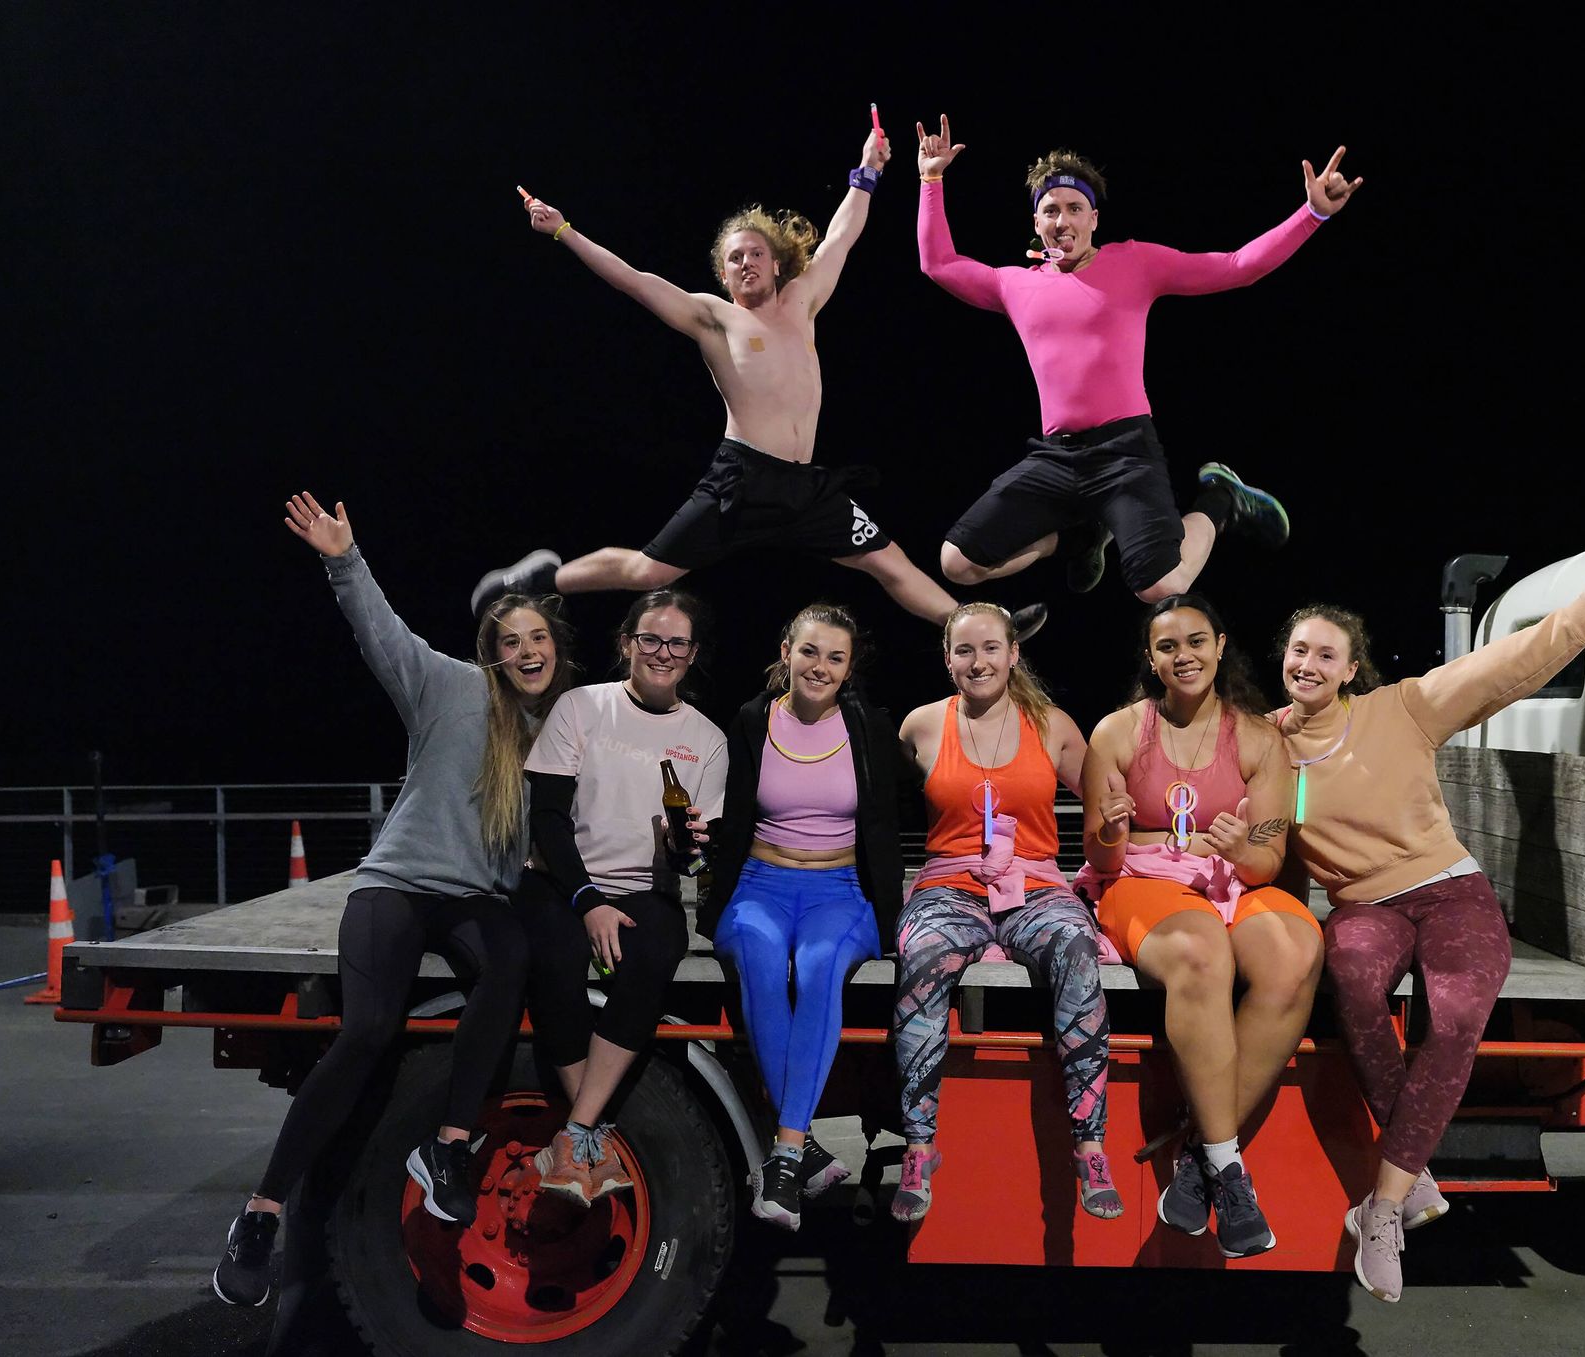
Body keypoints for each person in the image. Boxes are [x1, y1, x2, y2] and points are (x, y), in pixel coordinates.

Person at [472, 114, 1043, 641]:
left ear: (776, 262)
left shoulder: (802, 301)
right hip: (741, 482)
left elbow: (842, 234)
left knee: (888, 561)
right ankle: (543, 578)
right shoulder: (714, 319)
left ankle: (982, 628)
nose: (746, 263)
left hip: (806, 489)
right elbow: (632, 279)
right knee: (649, 571)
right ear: (724, 276)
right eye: (734, 259)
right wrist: (563, 230)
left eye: (755, 254)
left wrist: (868, 169)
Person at [214, 493, 575, 1308]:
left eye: (538, 639)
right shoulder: (450, 688)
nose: (526, 651)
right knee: (370, 1028)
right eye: (511, 641)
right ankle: (261, 1211)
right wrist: (343, 559)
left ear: (556, 649)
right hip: (398, 883)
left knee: (510, 958)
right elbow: (381, 634)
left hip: (473, 897)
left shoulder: (562, 735)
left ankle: (449, 1146)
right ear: (493, 653)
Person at [1275, 561, 1585, 1302]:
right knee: (1351, 976)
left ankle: (1383, 1206)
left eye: (1326, 653)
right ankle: (1413, 1171)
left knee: (1454, 1017)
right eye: (1299, 650)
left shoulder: (1400, 708)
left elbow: (1499, 670)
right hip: (1363, 905)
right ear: (1283, 658)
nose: (1309, 664)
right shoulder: (1267, 743)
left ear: (1351, 669)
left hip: (1449, 891)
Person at [914, 115, 1361, 600]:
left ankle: (1220, 500)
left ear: (1093, 219)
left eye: (1074, 208)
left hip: (1125, 452)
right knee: (957, 562)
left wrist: (1312, 215)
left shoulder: (1134, 262)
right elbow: (939, 263)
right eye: (1050, 211)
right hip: (1056, 457)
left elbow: (1238, 266)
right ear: (1036, 223)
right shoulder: (1013, 283)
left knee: (1161, 586)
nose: (1062, 221)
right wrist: (931, 179)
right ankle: (1078, 538)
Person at [1080, 595, 1322, 1258]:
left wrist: (1243, 847)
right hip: (1142, 880)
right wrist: (1114, 830)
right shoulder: (1117, 732)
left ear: (1220, 646)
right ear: (1151, 658)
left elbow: (1267, 860)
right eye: (1167, 646)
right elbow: (1102, 857)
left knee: (1296, 951)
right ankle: (1230, 1170)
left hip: (1232, 879)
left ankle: (1200, 1153)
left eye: (1195, 641)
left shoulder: (1259, 738)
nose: (1183, 655)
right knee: (1200, 950)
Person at [892, 602, 1116, 1221]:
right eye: (964, 650)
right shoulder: (920, 727)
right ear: (947, 660)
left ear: (1014, 653)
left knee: (1075, 948)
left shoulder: (1052, 725)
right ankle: (919, 1145)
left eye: (991, 647)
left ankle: (1090, 1144)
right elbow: (876, 804)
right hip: (950, 886)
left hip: (1034, 885)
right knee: (923, 954)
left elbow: (1107, 803)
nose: (978, 661)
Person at [520, 590, 729, 1204]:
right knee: (554, 957)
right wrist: (587, 902)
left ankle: (578, 1130)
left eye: (677, 643)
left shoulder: (707, 739)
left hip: (643, 889)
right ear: (626, 644)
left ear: (692, 654)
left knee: (657, 951)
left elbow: (694, 860)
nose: (663, 653)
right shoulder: (581, 707)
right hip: (563, 881)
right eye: (650, 639)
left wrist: (687, 847)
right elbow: (548, 818)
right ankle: (594, 1135)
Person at [704, 603, 903, 1229]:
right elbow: (729, 811)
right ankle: (800, 1147)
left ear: (849, 668)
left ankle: (785, 1156)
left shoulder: (869, 727)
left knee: (819, 966)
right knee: (761, 959)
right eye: (810, 651)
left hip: (838, 890)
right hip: (759, 883)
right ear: (787, 651)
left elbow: (888, 824)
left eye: (835, 657)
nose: (820, 666)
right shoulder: (751, 720)